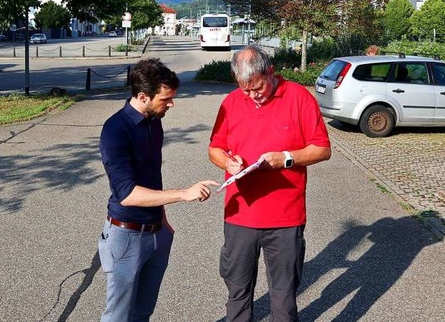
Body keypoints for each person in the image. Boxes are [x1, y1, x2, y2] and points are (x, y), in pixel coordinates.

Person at [208, 44, 332, 321]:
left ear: (271, 72)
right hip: (240, 215)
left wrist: (286, 158)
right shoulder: (230, 102)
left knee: (284, 294)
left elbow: (322, 149)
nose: (252, 96)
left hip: (285, 218)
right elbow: (215, 148)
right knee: (237, 291)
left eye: (258, 88)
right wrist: (227, 162)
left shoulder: (300, 98)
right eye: (245, 90)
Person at [98, 58, 218, 322]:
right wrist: (184, 193)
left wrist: (163, 221)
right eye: (165, 99)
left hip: (156, 232)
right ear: (143, 96)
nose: (171, 104)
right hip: (125, 235)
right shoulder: (115, 130)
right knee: (119, 316)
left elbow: (152, 176)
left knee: (143, 312)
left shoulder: (154, 121)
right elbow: (127, 194)